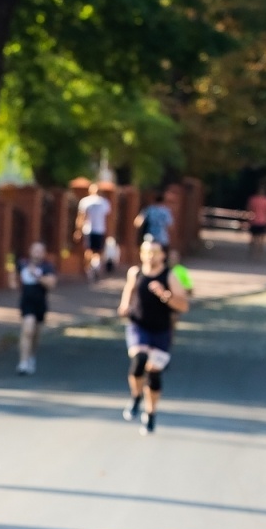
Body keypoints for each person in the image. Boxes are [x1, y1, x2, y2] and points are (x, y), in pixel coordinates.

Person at [119, 237, 189, 433]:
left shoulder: (170, 276)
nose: (150, 256)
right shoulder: (135, 272)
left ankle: (150, 413)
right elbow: (129, 289)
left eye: (155, 252)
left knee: (154, 372)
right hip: (138, 325)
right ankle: (135, 397)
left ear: (163, 255)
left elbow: (183, 305)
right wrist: (124, 305)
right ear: (141, 253)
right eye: (147, 251)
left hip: (161, 329)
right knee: (140, 359)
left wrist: (165, 295)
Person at [17, 240, 57, 375]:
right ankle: (23, 362)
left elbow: (51, 284)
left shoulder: (47, 267)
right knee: (27, 330)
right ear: (30, 251)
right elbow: (14, 279)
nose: (37, 253)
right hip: (26, 302)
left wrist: (38, 276)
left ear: (43, 253)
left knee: (36, 334)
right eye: (35, 250)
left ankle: (31, 356)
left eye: (40, 251)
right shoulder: (22, 264)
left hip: (40, 303)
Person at [77, 183, 112, 279]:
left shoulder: (100, 202)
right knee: (93, 250)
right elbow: (82, 217)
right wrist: (79, 230)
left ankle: (91, 268)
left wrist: (78, 230)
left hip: (95, 230)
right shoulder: (100, 202)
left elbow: (81, 217)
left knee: (92, 250)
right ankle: (92, 268)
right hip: (93, 229)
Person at [135, 192, 175, 263]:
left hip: (149, 238)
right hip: (162, 239)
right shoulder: (166, 211)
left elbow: (138, 222)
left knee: (147, 258)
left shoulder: (149, 210)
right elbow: (170, 226)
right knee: (162, 260)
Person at [247, 186, 266, 259]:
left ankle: (253, 253)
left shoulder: (253, 199)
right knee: (260, 239)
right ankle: (258, 253)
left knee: (254, 238)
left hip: (256, 220)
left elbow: (249, 209)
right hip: (262, 221)